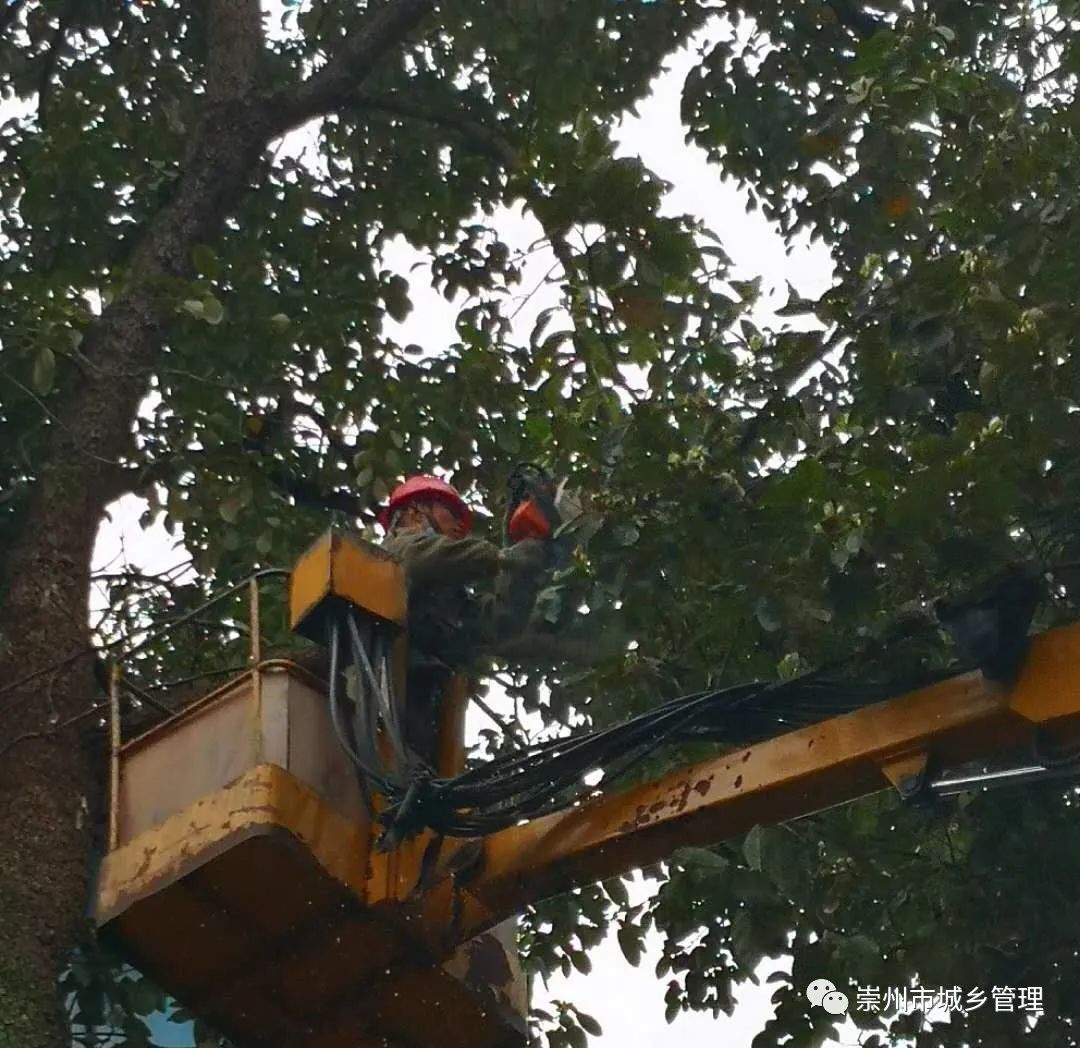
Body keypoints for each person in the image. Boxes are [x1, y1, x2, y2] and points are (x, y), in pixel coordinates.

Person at [376, 474, 553, 761]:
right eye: (451, 513)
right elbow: (424, 557)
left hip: (425, 720)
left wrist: (522, 570)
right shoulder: (394, 552)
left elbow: (499, 622)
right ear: (414, 512)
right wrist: (503, 557)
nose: (461, 526)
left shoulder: (450, 599)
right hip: (377, 708)